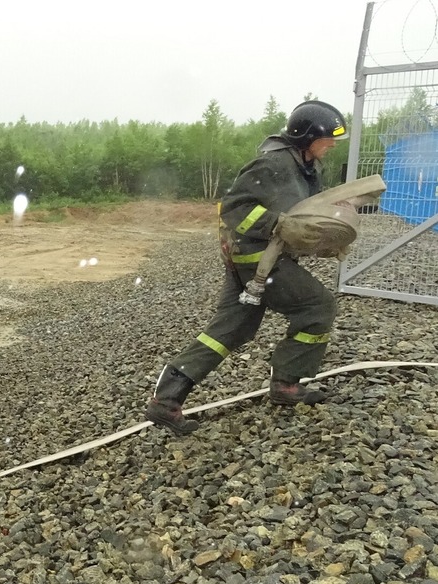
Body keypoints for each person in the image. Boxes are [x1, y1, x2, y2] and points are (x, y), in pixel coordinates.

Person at [146, 100, 349, 435]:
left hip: (259, 256)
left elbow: (303, 213)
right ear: (307, 137)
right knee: (317, 306)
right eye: (328, 138)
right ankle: (285, 385)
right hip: (257, 258)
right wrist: (277, 224)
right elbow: (235, 208)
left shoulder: (307, 165)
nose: (332, 144)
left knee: (232, 328)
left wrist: (324, 234)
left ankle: (165, 402)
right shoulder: (274, 163)